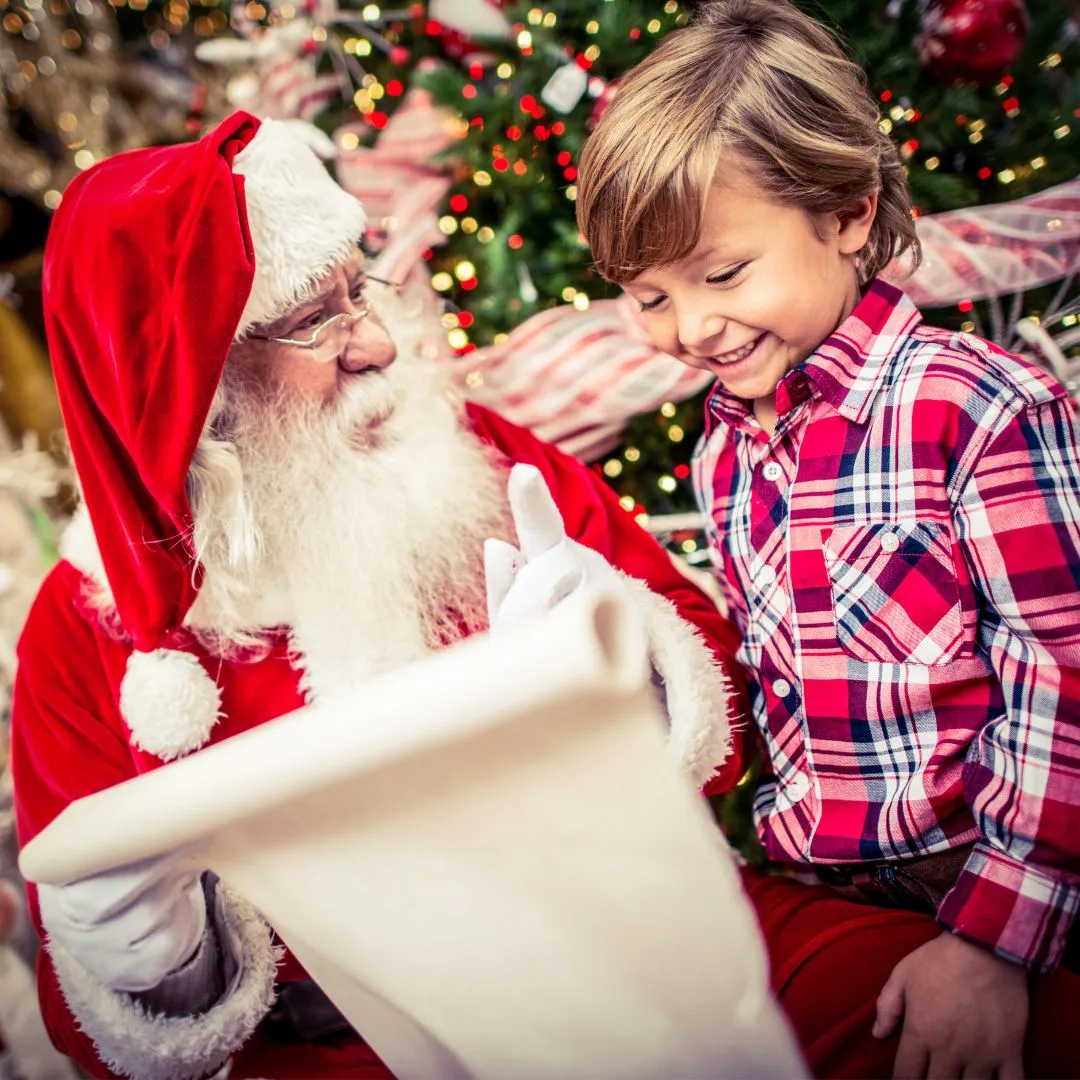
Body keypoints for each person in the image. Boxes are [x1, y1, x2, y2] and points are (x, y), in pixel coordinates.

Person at [10, 113, 751, 1080]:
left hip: (625, 950)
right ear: (194, 386)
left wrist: (624, 664)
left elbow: (725, 708)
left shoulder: (470, 455)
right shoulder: (85, 629)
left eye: (358, 292)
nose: (373, 345)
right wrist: (159, 968)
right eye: (314, 318)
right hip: (342, 1051)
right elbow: (102, 1039)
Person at [575, 1, 1080, 1078]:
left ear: (848, 215)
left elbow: (1065, 686)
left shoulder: (977, 408)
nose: (691, 328)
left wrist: (994, 940)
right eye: (649, 297)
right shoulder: (724, 451)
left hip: (981, 889)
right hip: (822, 888)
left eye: (721, 275)